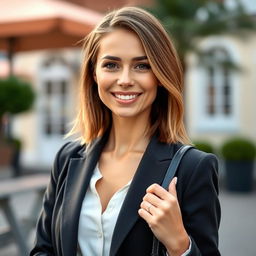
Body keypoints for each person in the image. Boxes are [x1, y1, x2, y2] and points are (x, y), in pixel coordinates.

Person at [30, 6, 221, 256]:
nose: (125, 79)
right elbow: (43, 249)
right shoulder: (67, 158)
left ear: (160, 75)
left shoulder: (194, 168)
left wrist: (180, 245)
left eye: (142, 66)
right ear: (94, 74)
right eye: (111, 65)